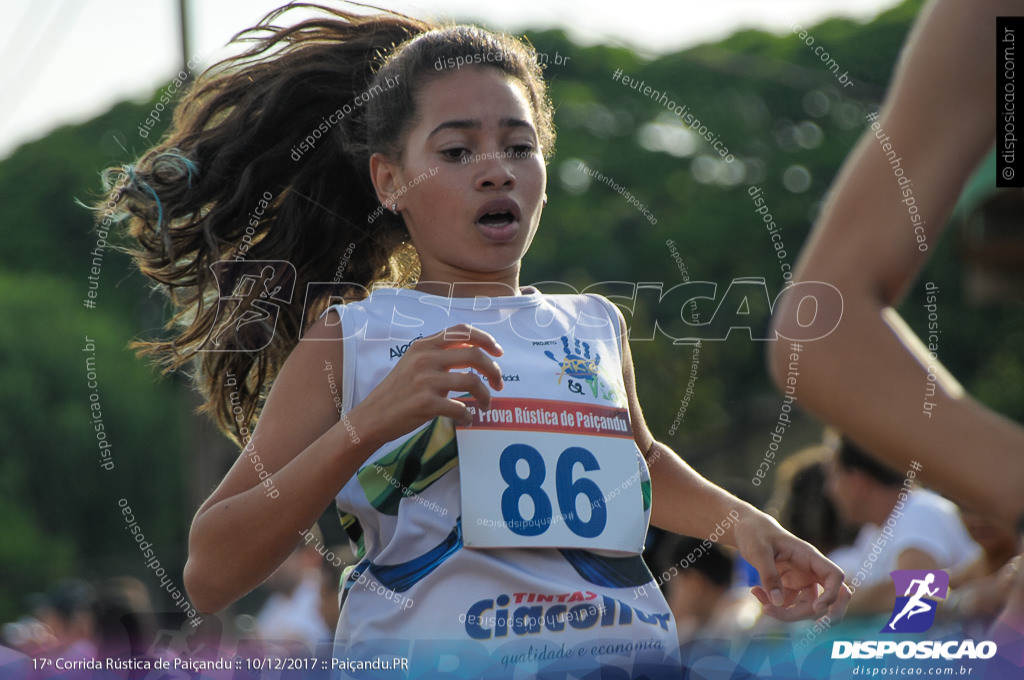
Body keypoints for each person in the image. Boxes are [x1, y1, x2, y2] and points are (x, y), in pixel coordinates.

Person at [102, 4, 849, 675]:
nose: (495, 171)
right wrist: (369, 424)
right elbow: (209, 571)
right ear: (390, 180)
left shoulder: (593, 324)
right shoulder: (351, 338)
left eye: (518, 147)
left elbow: (640, 464)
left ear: (544, 171)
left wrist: (750, 527)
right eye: (457, 152)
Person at [767, 0, 1024, 633]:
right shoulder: (891, 533)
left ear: (858, 476)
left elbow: (917, 613)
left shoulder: (920, 521)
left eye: (832, 477)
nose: (830, 494)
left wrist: (844, 610)